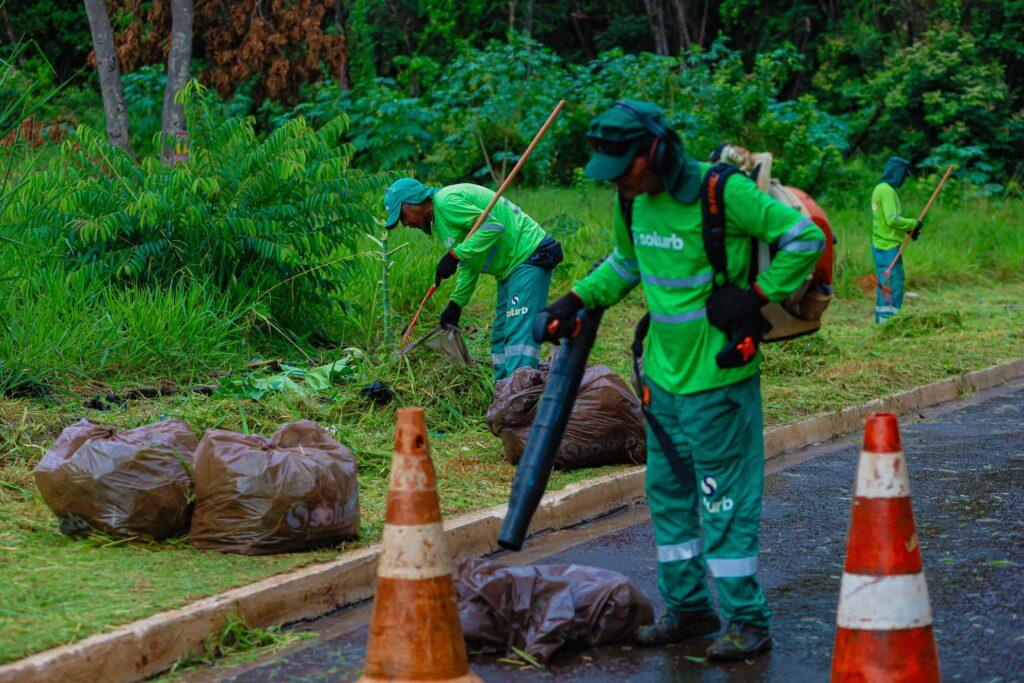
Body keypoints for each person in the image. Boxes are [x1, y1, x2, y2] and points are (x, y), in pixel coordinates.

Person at [541, 100, 825, 661]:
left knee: (722, 501)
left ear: (654, 152)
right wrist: (576, 298)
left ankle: (747, 620)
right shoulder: (631, 201)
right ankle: (690, 609)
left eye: (625, 166)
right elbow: (626, 264)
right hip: (662, 381)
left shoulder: (722, 194)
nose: (619, 179)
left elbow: (804, 239)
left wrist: (756, 297)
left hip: (719, 377)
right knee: (668, 499)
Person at [382, 178, 562, 381]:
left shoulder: (446, 201)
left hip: (529, 256)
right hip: (510, 269)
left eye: (402, 216)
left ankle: (521, 399)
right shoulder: (441, 218)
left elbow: (492, 226)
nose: (405, 223)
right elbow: (472, 258)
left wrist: (455, 255)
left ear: (411, 202)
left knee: (518, 337)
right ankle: (503, 394)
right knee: (500, 338)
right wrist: (455, 303)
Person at [871, 156, 921, 323]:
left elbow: (887, 223)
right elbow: (891, 219)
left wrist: (908, 231)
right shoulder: (887, 191)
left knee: (885, 284)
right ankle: (889, 323)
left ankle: (883, 320)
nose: (903, 180)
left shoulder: (879, 188)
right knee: (893, 284)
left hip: (881, 245)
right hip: (888, 247)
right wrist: (912, 223)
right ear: (896, 173)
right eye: (903, 176)